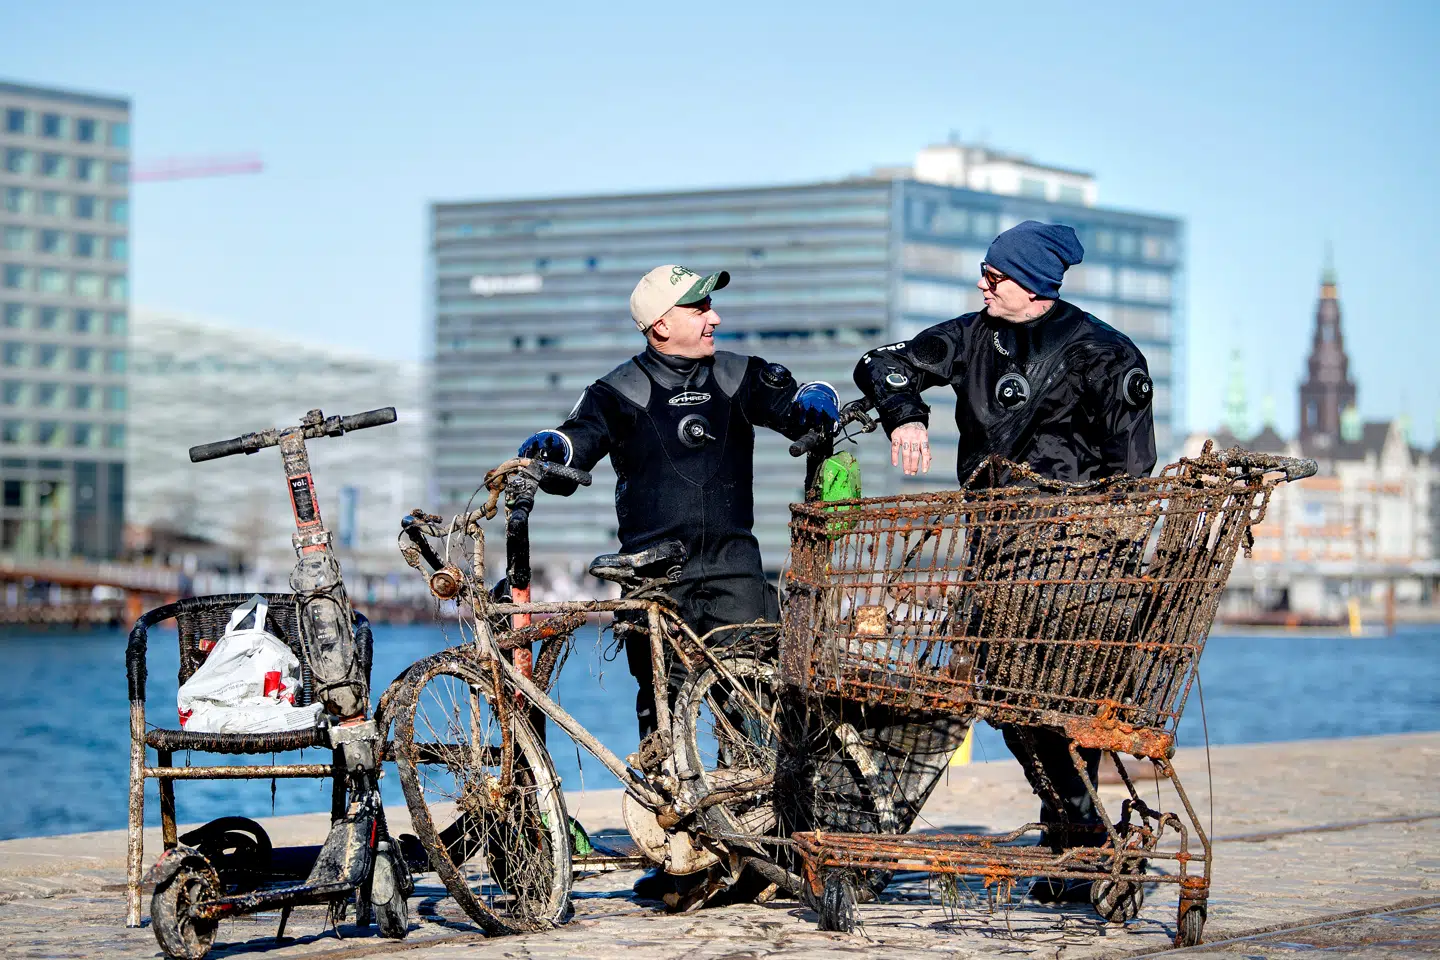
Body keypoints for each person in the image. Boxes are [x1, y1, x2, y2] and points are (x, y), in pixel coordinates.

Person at [851, 220, 1156, 902]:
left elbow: (1132, 471)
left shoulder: (1109, 356)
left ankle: (1073, 831)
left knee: (1060, 694)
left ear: (1037, 285)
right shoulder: (973, 335)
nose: (981, 286)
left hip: (1078, 563)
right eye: (983, 274)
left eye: (995, 278)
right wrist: (905, 413)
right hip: (998, 556)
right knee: (1010, 696)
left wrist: (1088, 537)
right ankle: (1075, 830)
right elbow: (882, 361)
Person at [515, 264, 838, 904]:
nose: (713, 317)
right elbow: (576, 443)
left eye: (712, 307)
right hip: (653, 578)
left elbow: (795, 400)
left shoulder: (737, 374)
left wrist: (814, 401)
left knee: (758, 709)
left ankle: (766, 849)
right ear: (661, 324)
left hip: (733, 569)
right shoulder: (619, 390)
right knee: (658, 715)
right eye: (699, 309)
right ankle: (683, 859)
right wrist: (550, 448)